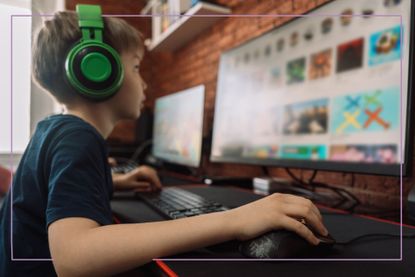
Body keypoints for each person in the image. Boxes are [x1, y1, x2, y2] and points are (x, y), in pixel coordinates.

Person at [0, 6, 328, 277]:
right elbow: (74, 257)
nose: (144, 83)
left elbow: (54, 191)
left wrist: (119, 182)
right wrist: (235, 220)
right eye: (136, 67)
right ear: (98, 71)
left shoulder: (55, 130)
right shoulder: (78, 138)